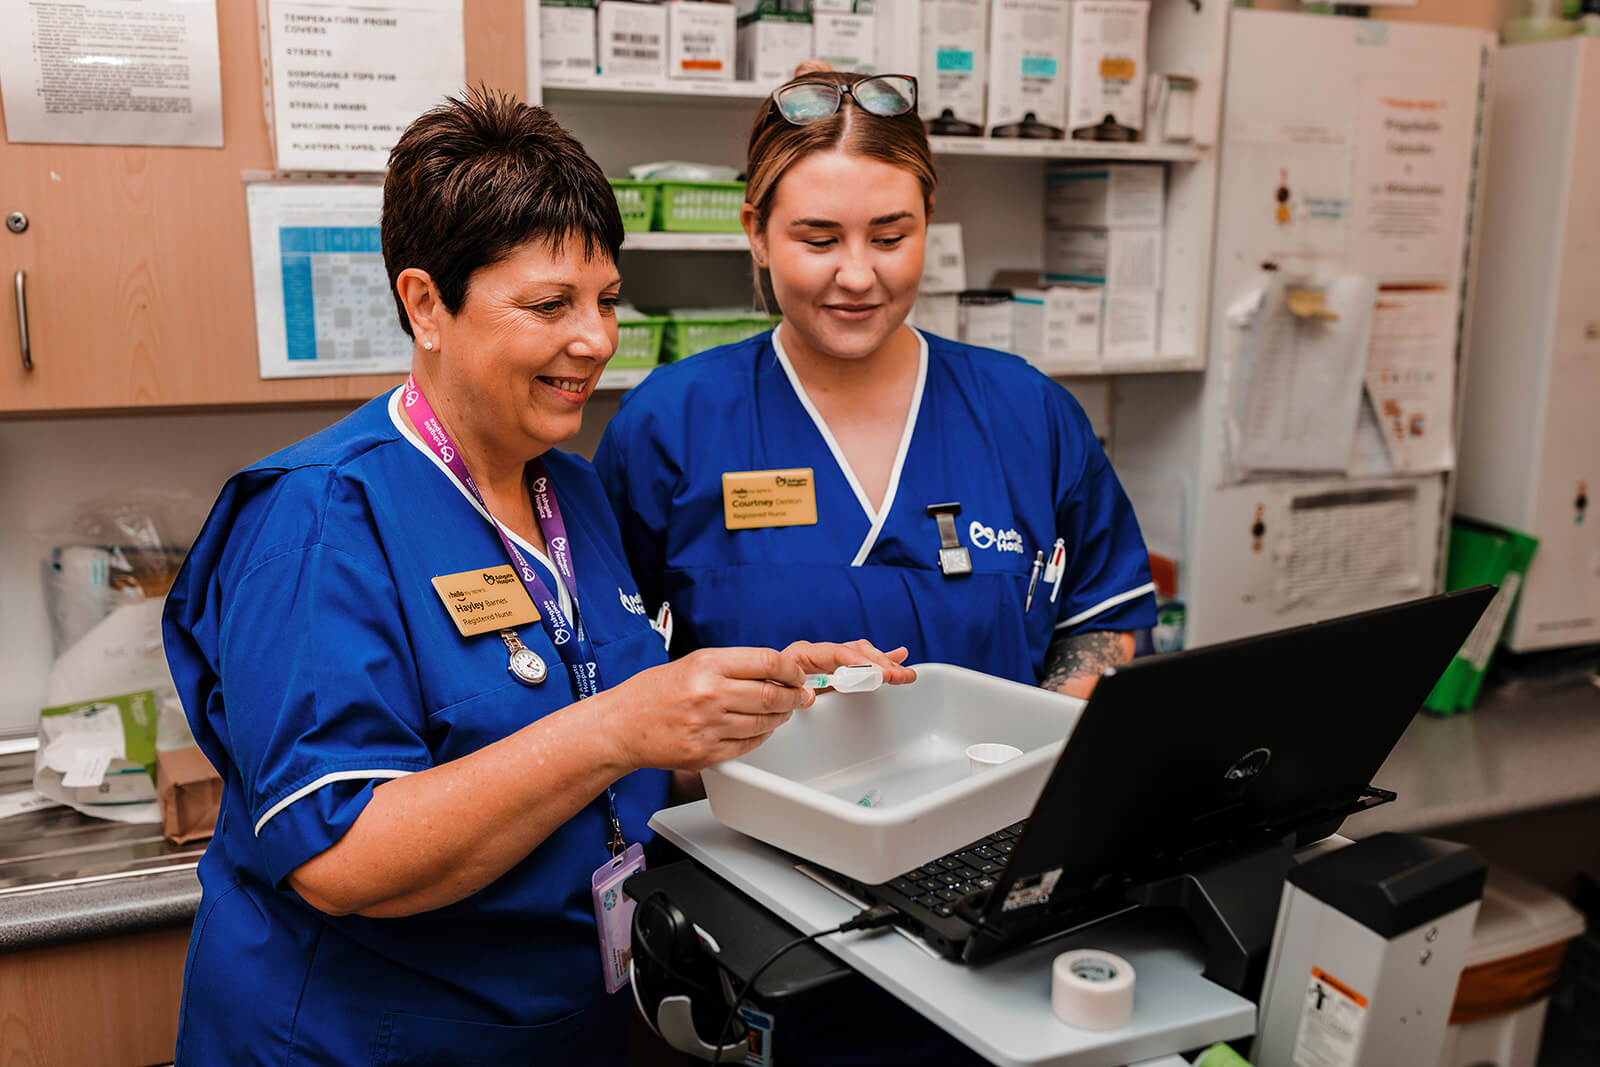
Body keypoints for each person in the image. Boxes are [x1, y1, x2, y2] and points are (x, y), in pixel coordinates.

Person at [161, 88, 910, 1066]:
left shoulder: (573, 495)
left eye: (605, 298)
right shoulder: (318, 520)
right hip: (362, 1042)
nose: (596, 339)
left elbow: (606, 751)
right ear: (426, 303)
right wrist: (623, 721)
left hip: (558, 1029)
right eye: (550, 304)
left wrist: (750, 702)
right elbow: (341, 857)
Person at [596, 68, 1158, 702]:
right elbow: (611, 666)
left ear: (929, 222)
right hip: (743, 803)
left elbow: (1103, 616)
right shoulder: (668, 425)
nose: (858, 274)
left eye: (890, 237)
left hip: (1002, 796)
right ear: (756, 232)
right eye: (819, 239)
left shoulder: (1030, 414)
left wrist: (1034, 757)